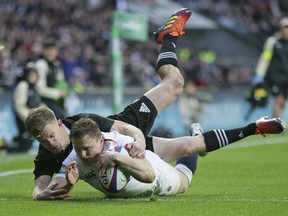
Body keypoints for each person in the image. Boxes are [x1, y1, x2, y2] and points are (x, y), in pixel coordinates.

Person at [25, 8, 193, 200]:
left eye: (51, 136)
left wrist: (137, 139)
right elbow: (40, 188)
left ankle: (169, 37)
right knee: (187, 149)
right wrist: (40, 196)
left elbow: (120, 128)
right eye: (43, 141)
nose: (51, 143)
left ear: (59, 123)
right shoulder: (46, 155)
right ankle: (196, 137)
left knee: (175, 83)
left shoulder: (81, 121)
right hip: (125, 152)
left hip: (128, 128)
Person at [52, 116, 285, 199]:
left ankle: (253, 127)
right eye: (78, 149)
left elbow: (149, 174)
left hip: (153, 174)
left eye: (88, 149)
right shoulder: (75, 156)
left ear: (101, 141)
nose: (83, 155)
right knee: (188, 145)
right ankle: (196, 140)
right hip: (136, 175)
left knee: (184, 181)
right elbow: (53, 190)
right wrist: (68, 186)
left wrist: (118, 159)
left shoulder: (118, 144)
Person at [5, 62, 46, 153]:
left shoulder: (34, 87)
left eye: (34, 74)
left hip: (34, 120)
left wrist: (47, 114)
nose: (33, 76)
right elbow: (19, 106)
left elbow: (39, 103)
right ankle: (6, 146)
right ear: (26, 75)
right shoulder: (23, 85)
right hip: (25, 121)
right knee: (23, 147)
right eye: (30, 74)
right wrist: (31, 119)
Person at [254, 17, 288, 119]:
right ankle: (278, 124)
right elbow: (265, 58)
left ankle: (273, 122)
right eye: (284, 27)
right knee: (278, 99)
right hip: (274, 76)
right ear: (280, 29)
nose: (286, 30)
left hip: (286, 77)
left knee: (283, 102)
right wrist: (259, 73)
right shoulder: (272, 42)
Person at [34, 38, 68, 119]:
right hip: (42, 100)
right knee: (59, 115)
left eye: (53, 49)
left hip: (55, 100)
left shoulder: (57, 65)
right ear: (44, 51)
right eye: (48, 49)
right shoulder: (40, 64)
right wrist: (58, 93)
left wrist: (66, 91)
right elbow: (40, 89)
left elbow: (61, 83)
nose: (50, 52)